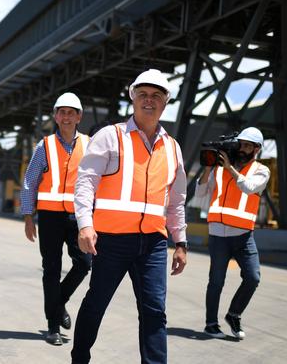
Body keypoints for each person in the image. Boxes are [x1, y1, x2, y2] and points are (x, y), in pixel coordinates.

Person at [71, 69, 188, 364]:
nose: (149, 101)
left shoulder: (172, 148)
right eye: (143, 95)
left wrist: (181, 241)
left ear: (165, 102)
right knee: (97, 303)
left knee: (154, 311)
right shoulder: (111, 136)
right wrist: (85, 224)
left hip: (153, 244)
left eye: (156, 96)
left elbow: (176, 200)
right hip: (111, 241)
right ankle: (79, 358)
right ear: (133, 98)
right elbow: (85, 181)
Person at [20, 92, 92, 346]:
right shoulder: (45, 146)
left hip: (77, 216)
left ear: (79, 117)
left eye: (71, 112)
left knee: (84, 263)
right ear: (55, 116)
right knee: (51, 269)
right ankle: (53, 327)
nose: (66, 117)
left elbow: (96, 181)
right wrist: (28, 216)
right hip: (49, 217)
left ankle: (58, 302)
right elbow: (30, 181)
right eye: (62, 112)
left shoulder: (89, 145)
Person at [196, 127, 269, 340]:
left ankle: (234, 314)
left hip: (244, 236)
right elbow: (200, 194)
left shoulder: (261, 170)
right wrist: (209, 169)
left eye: (247, 145)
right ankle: (211, 325)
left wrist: (229, 168)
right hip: (218, 235)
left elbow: (248, 187)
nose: (242, 149)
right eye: (241, 144)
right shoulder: (219, 170)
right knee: (216, 281)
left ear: (256, 149)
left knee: (253, 277)